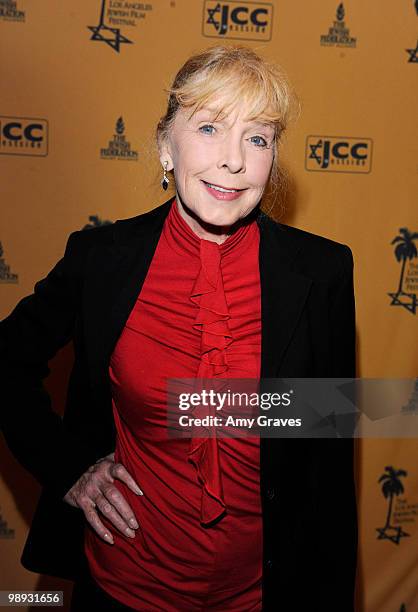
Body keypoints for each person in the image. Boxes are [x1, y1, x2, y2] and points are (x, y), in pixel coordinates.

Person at [0, 45, 358, 611]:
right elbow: (6, 364)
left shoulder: (322, 271)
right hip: (123, 588)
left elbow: (329, 447)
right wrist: (68, 467)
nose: (234, 161)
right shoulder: (102, 260)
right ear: (166, 146)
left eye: (258, 138)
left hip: (265, 597)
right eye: (210, 128)